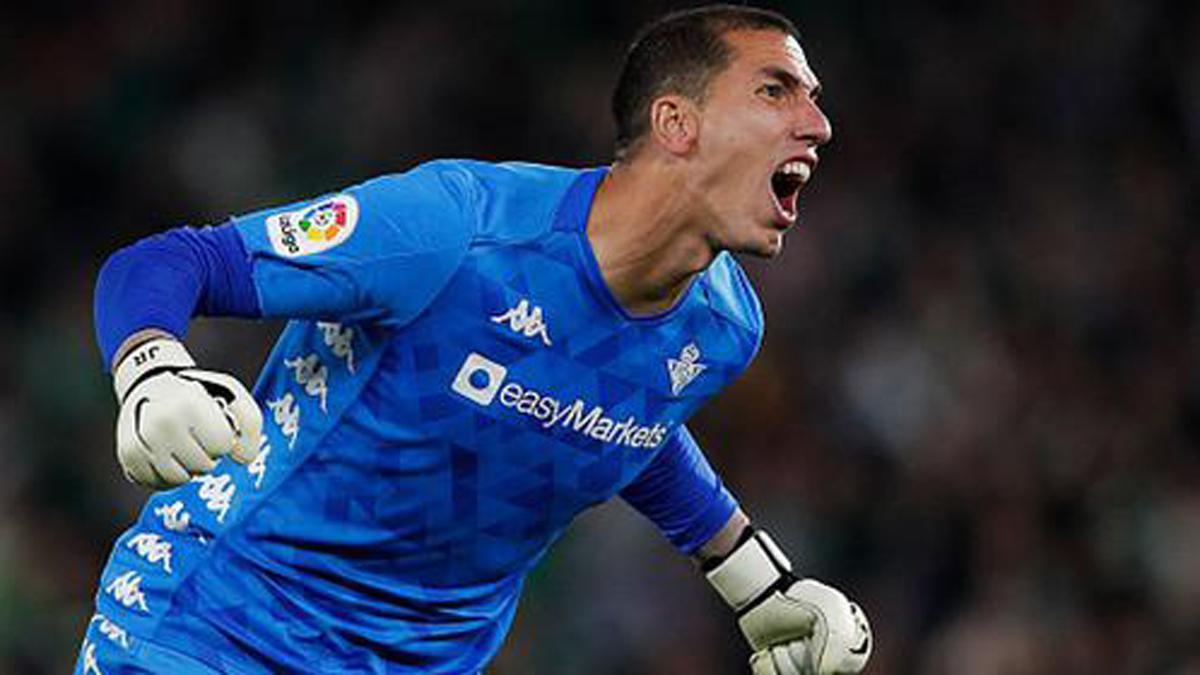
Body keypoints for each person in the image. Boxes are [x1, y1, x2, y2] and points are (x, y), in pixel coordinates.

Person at [76, 5, 872, 674]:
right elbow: (172, 261)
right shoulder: (456, 230)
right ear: (676, 123)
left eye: (813, 98)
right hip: (214, 632)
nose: (819, 124)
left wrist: (750, 575)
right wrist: (152, 369)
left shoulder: (724, 330)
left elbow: (623, 413)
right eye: (777, 91)